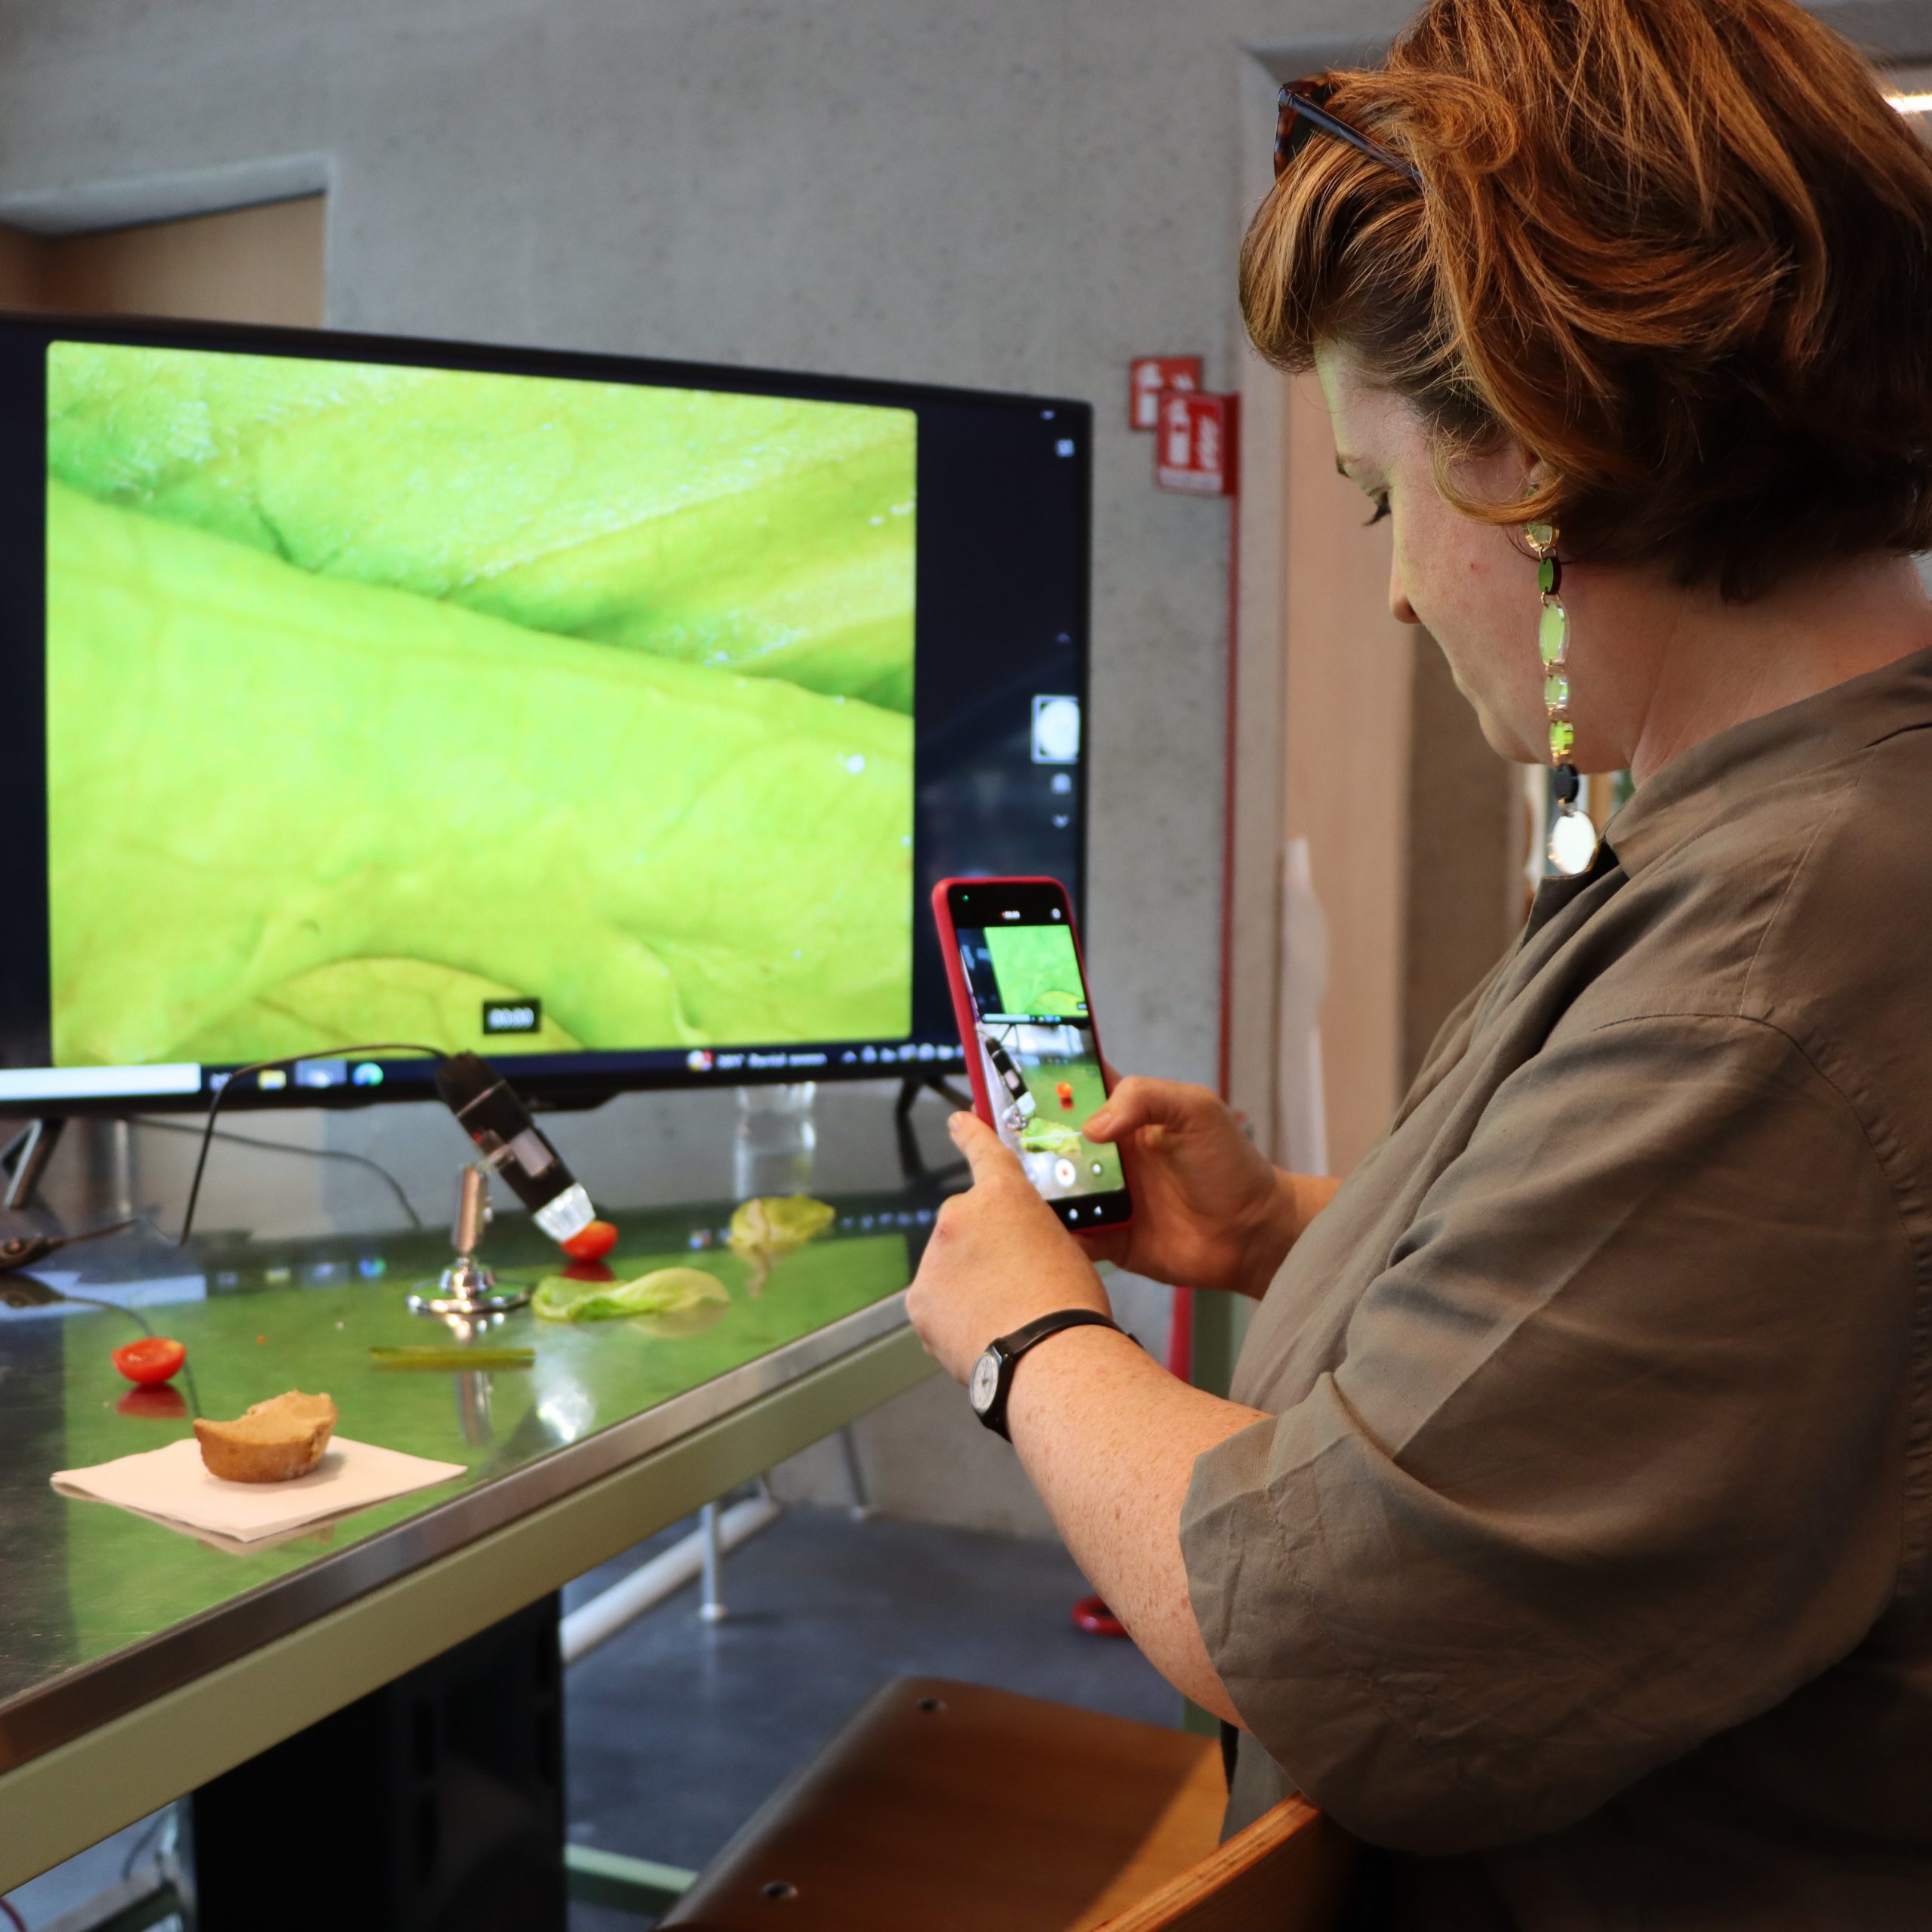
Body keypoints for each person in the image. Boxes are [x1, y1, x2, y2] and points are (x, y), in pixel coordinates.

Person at [906, 0, 1932, 1922]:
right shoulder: (1784, 838)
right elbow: (1701, 1357)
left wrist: (1023, 1333)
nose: (1387, 583)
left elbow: (1330, 1631)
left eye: (1381, 498)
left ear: (1534, 460)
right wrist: (1296, 1224)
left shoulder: (1781, 961)